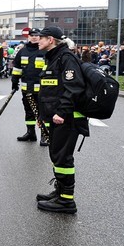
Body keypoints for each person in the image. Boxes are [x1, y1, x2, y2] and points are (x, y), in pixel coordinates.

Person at [35, 26, 88, 214]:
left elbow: (73, 87)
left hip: (66, 118)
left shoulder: (66, 58)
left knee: (63, 157)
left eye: (41, 38)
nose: (37, 40)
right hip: (56, 117)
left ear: (51, 39)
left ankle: (66, 200)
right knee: (56, 155)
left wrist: (62, 112)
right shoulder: (53, 57)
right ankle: (59, 192)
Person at [11, 28, 47, 144]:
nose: (34, 37)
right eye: (32, 35)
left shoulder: (45, 51)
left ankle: (45, 135)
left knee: (43, 112)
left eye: (37, 35)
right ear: (29, 36)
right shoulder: (22, 51)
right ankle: (31, 133)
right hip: (27, 89)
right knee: (29, 111)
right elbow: (17, 68)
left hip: (43, 90)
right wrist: (14, 82)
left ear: (40, 37)